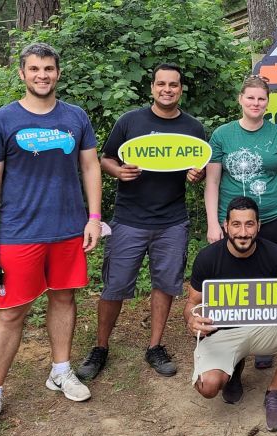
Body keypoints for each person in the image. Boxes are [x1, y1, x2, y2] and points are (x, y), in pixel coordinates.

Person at [0, 43, 102, 436]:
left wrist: (94, 218)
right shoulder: (2, 120)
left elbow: (91, 166)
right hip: (19, 233)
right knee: (10, 313)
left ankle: (61, 371)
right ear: (22, 74)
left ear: (57, 73)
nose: (42, 75)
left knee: (64, 298)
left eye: (48, 68)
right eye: (34, 69)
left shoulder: (75, 117)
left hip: (68, 230)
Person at [76, 63, 206, 381]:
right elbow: (105, 159)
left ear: (180, 89)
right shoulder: (130, 121)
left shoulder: (193, 128)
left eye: (173, 85)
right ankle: (100, 348)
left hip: (173, 220)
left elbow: (197, 165)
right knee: (115, 286)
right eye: (161, 83)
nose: (167, 89)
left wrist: (196, 175)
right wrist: (117, 171)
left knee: (165, 285)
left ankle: (155, 346)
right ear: (152, 88)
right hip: (129, 219)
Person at [184, 197, 277, 432]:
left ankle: (273, 393)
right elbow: (192, 304)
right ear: (225, 225)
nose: (243, 232)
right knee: (208, 387)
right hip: (222, 333)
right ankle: (233, 372)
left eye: (249, 224)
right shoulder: (208, 258)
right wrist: (192, 320)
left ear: (259, 226)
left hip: (261, 328)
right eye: (236, 224)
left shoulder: (273, 255)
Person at [205, 75, 277, 370]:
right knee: (234, 279)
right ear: (240, 99)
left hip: (273, 216)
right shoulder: (223, 135)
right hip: (232, 221)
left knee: (269, 280)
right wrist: (212, 222)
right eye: (251, 98)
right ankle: (231, 343)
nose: (256, 103)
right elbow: (212, 182)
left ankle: (264, 340)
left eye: (261, 99)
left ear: (268, 102)